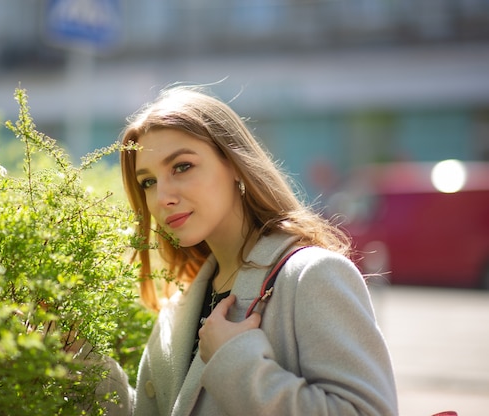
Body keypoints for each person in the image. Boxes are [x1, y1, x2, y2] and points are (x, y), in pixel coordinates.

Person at [102, 85, 398, 415]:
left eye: (182, 167)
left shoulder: (311, 277)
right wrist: (80, 361)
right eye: (148, 182)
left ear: (234, 164)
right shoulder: (179, 308)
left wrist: (235, 361)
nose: (162, 197)